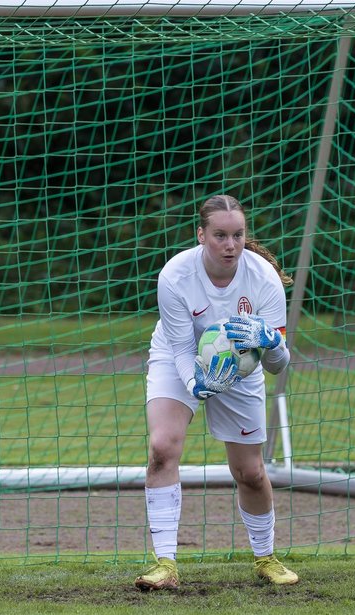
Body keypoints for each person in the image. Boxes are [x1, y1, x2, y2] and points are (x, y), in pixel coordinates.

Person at [135, 194, 299, 591]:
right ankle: (165, 565)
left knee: (250, 472)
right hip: (183, 360)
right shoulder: (175, 275)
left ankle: (266, 558)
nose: (230, 245)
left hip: (243, 370)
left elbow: (279, 365)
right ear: (201, 236)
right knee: (162, 447)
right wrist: (198, 383)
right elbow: (177, 348)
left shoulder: (264, 279)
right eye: (220, 236)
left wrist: (271, 342)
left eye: (238, 235)